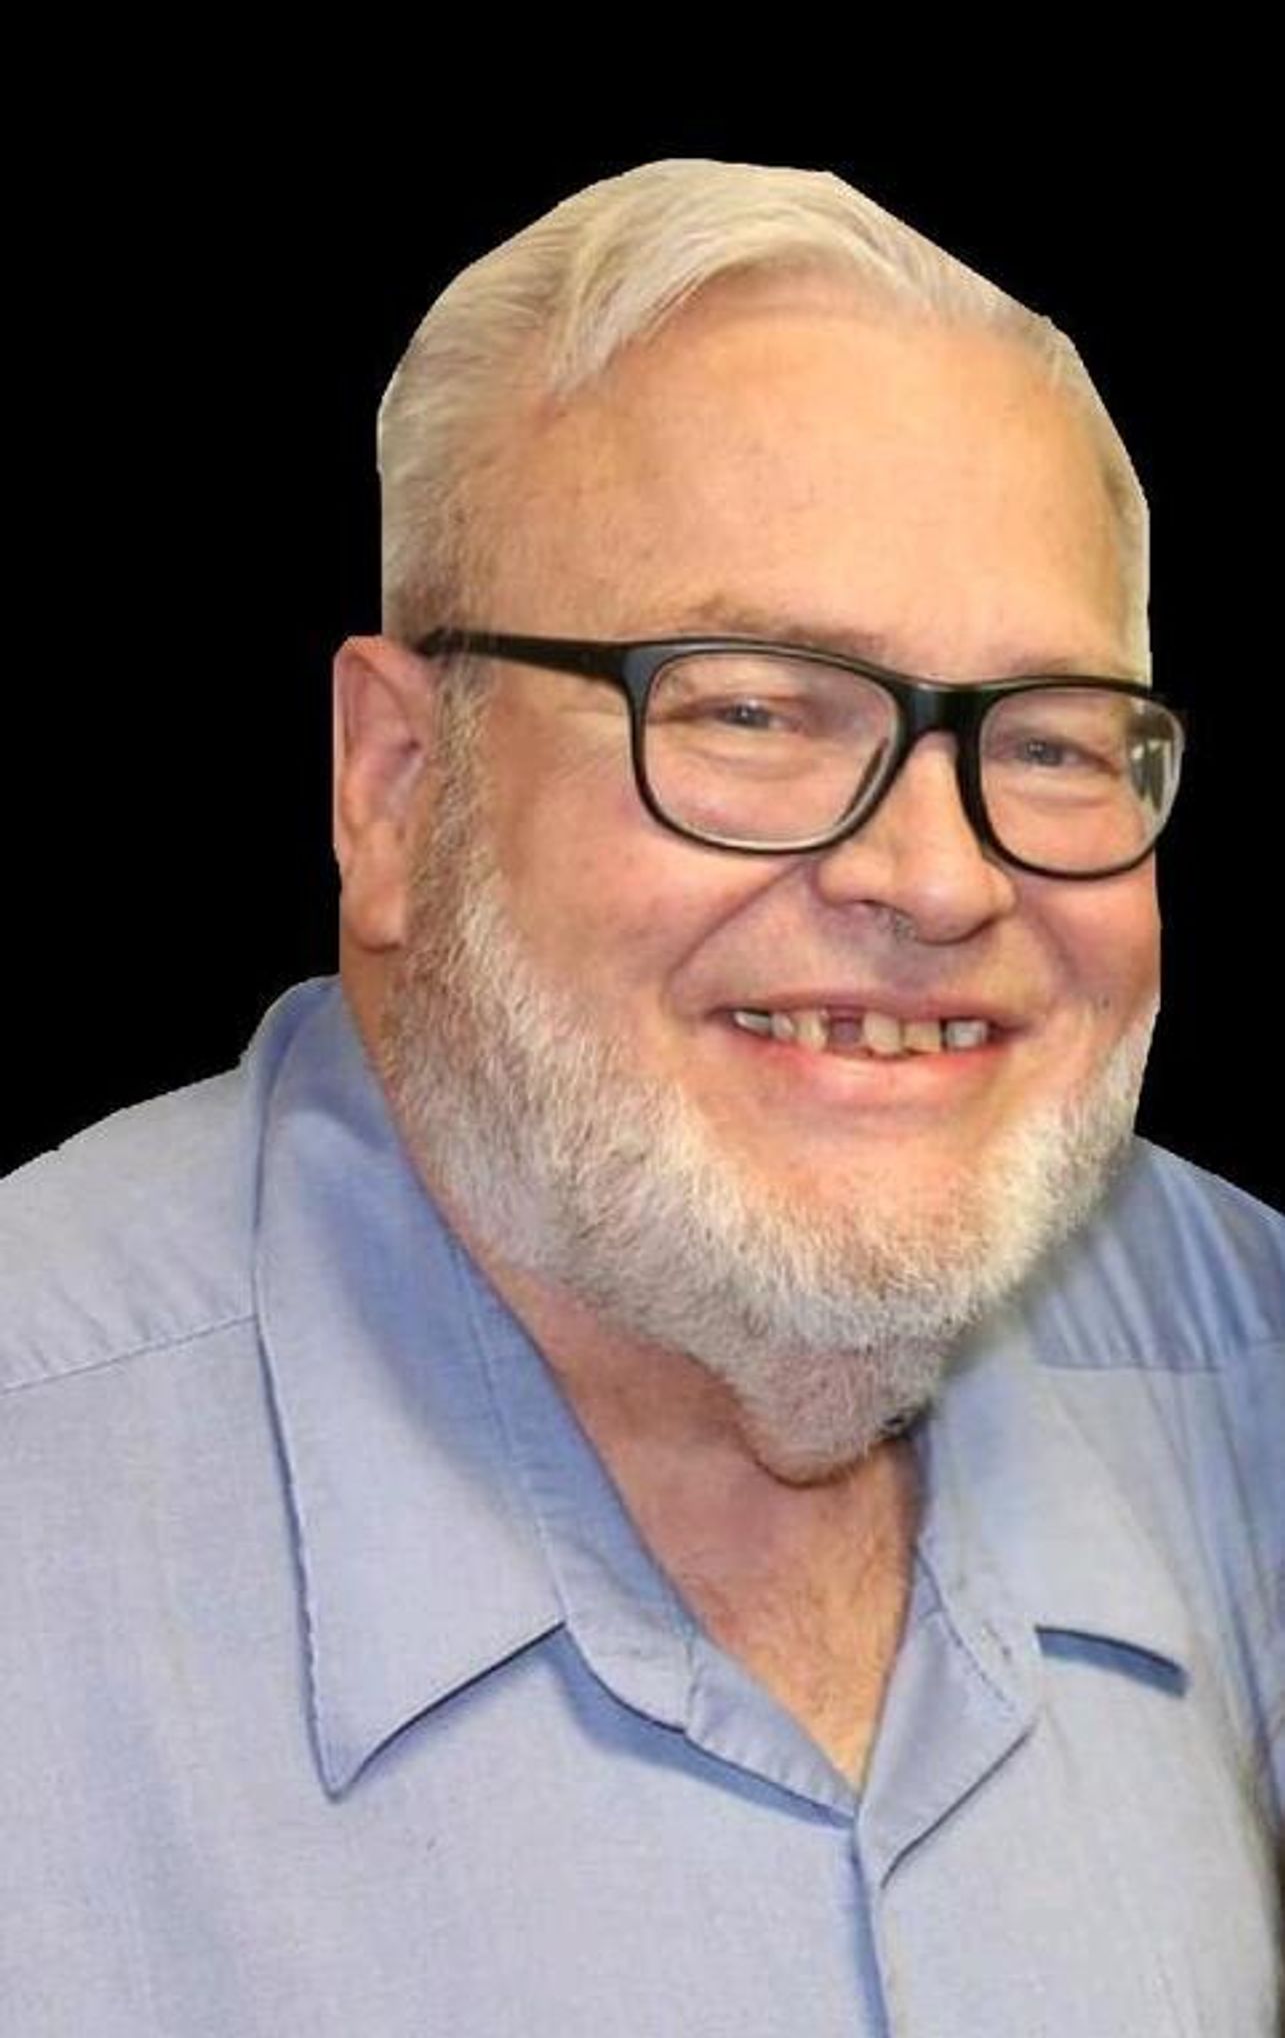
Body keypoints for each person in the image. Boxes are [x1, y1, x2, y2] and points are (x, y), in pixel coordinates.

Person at [1, 159, 1280, 2036]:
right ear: (393, 786)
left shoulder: (1245, 1375)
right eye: (749, 709)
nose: (938, 880)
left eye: (1049, 741)